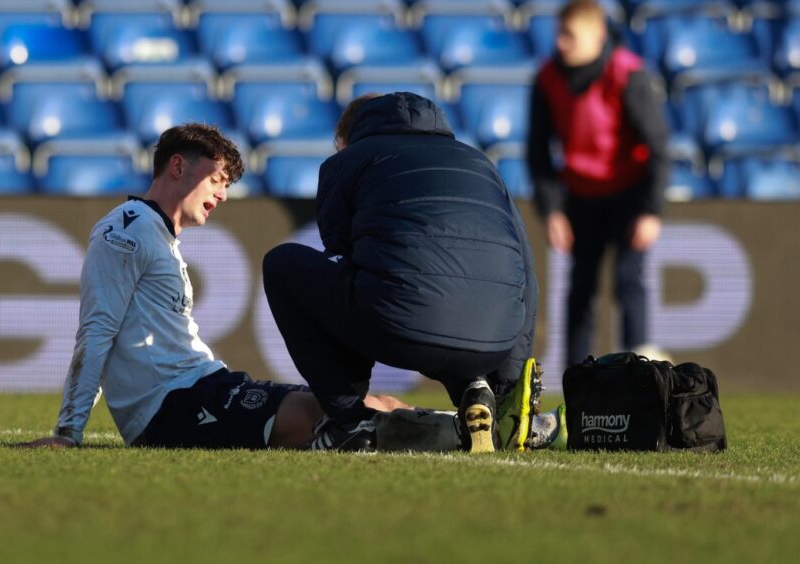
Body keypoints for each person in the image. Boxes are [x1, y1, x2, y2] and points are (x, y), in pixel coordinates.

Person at [20, 123, 408, 451]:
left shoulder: (158, 236)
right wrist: (68, 433)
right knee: (332, 417)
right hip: (173, 407)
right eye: (216, 179)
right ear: (177, 167)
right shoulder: (127, 228)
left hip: (204, 388)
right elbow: (97, 329)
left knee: (354, 406)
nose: (222, 194)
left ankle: (459, 426)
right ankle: (450, 434)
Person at [262, 92, 542, 454]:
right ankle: (476, 389)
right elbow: (527, 274)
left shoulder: (348, 161)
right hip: (494, 342)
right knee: (452, 291)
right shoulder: (481, 163)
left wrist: (349, 391)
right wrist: (508, 381)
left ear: (345, 138)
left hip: (398, 326)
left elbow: (342, 254)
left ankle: (350, 422)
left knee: (283, 264)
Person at [528, 0, 670, 368]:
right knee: (580, 290)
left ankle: (640, 374)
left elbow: (658, 145)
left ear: (597, 36)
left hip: (629, 193)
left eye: (569, 35)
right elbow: (537, 151)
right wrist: (552, 210)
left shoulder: (627, 75)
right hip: (580, 197)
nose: (561, 43)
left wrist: (651, 211)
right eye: (559, 34)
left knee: (629, 282)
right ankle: (578, 380)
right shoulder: (546, 78)